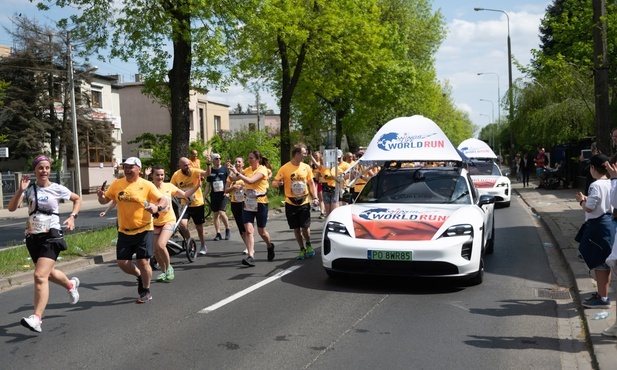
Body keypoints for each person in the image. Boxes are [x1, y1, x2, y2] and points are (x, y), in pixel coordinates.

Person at [8, 155, 82, 333]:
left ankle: (37, 318)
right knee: (46, 274)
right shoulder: (29, 189)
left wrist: (72, 217)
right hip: (34, 237)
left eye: (47, 168)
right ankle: (70, 285)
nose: (44, 171)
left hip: (52, 235)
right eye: (40, 168)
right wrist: (20, 190)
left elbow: (77, 199)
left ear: (50, 170)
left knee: (39, 276)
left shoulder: (57, 188)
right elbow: (11, 208)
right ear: (35, 170)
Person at [97, 157, 167, 304]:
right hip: (124, 230)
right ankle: (140, 276)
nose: (128, 170)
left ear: (139, 169)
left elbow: (163, 200)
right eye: (126, 167)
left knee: (143, 261)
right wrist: (101, 196)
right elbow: (105, 200)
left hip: (144, 229)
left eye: (131, 167)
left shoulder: (146, 185)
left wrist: (156, 207)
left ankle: (146, 291)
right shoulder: (117, 184)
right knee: (122, 263)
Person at [149, 165, 202, 281]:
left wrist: (197, 186)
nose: (160, 177)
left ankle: (169, 268)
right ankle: (163, 271)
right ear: (152, 175)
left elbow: (184, 195)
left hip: (169, 221)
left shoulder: (168, 186)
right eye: (157, 175)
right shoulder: (149, 188)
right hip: (155, 223)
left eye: (162, 175)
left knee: (161, 245)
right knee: (156, 251)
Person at [574, 154, 613, 309]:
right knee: (605, 262)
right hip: (609, 224)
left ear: (592, 168)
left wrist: (581, 200)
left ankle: (603, 299)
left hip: (598, 227)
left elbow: (589, 208)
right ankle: (603, 294)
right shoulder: (611, 183)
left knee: (599, 263)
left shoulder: (595, 185)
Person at [273, 144, 320, 260]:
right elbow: (274, 182)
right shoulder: (285, 168)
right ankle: (301, 248)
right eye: (304, 153)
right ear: (297, 154)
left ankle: (308, 244)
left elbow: (311, 183)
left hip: (304, 201)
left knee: (305, 227)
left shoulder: (306, 167)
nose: (306, 155)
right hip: (290, 201)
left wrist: (315, 197)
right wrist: (277, 184)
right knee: (296, 228)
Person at [227, 150, 273, 266]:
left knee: (262, 232)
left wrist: (238, 174)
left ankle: (269, 245)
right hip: (248, 203)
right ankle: (250, 256)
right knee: (248, 230)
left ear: (258, 160)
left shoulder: (262, 169)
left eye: (252, 158)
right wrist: (231, 170)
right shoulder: (247, 170)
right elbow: (233, 179)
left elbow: (250, 180)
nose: (249, 160)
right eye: (249, 158)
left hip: (261, 202)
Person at [170, 157, 209, 255]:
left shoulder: (195, 171)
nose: (188, 167)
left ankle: (203, 244)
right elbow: (171, 187)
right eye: (185, 165)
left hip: (197, 203)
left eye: (189, 164)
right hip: (184, 204)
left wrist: (208, 164)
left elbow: (207, 173)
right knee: (182, 225)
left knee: (199, 227)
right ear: (180, 166)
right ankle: (190, 243)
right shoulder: (176, 175)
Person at [205, 153, 231, 241]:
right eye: (216, 158)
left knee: (222, 212)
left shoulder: (224, 169)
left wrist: (228, 191)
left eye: (220, 158)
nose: (219, 159)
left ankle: (227, 229)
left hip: (223, 194)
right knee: (215, 215)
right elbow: (208, 185)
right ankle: (218, 233)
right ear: (213, 160)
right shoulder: (210, 171)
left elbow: (230, 179)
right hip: (214, 195)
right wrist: (203, 196)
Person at [225, 156, 248, 251]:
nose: (237, 163)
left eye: (239, 162)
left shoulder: (246, 173)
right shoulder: (231, 176)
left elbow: (252, 184)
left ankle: (250, 246)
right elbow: (226, 190)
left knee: (246, 225)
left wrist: (244, 188)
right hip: (235, 203)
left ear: (243, 164)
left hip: (245, 202)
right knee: (240, 226)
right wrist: (234, 187)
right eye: (236, 162)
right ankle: (247, 246)